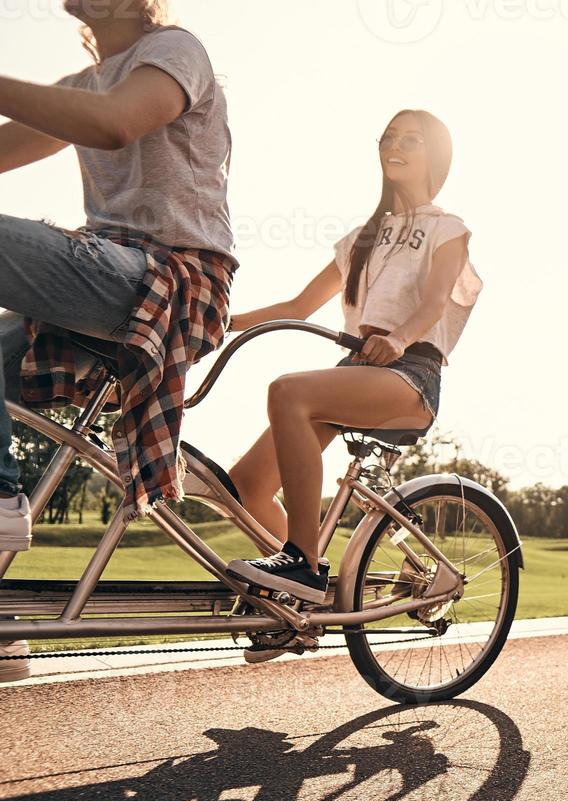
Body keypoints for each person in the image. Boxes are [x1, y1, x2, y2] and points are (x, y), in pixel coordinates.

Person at [0, 0, 233, 683]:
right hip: (104, 280)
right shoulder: (82, 85)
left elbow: (114, 125)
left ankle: (0, 504)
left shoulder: (175, 50)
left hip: (174, 278)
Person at [213, 110, 480, 608]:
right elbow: (298, 306)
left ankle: (303, 566)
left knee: (288, 391)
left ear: (436, 156)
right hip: (357, 374)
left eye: (412, 139)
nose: (395, 145)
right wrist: (221, 319)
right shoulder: (363, 238)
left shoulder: (448, 228)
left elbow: (434, 302)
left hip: (410, 375)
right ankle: (295, 597)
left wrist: (399, 339)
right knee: (247, 484)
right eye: (389, 137)